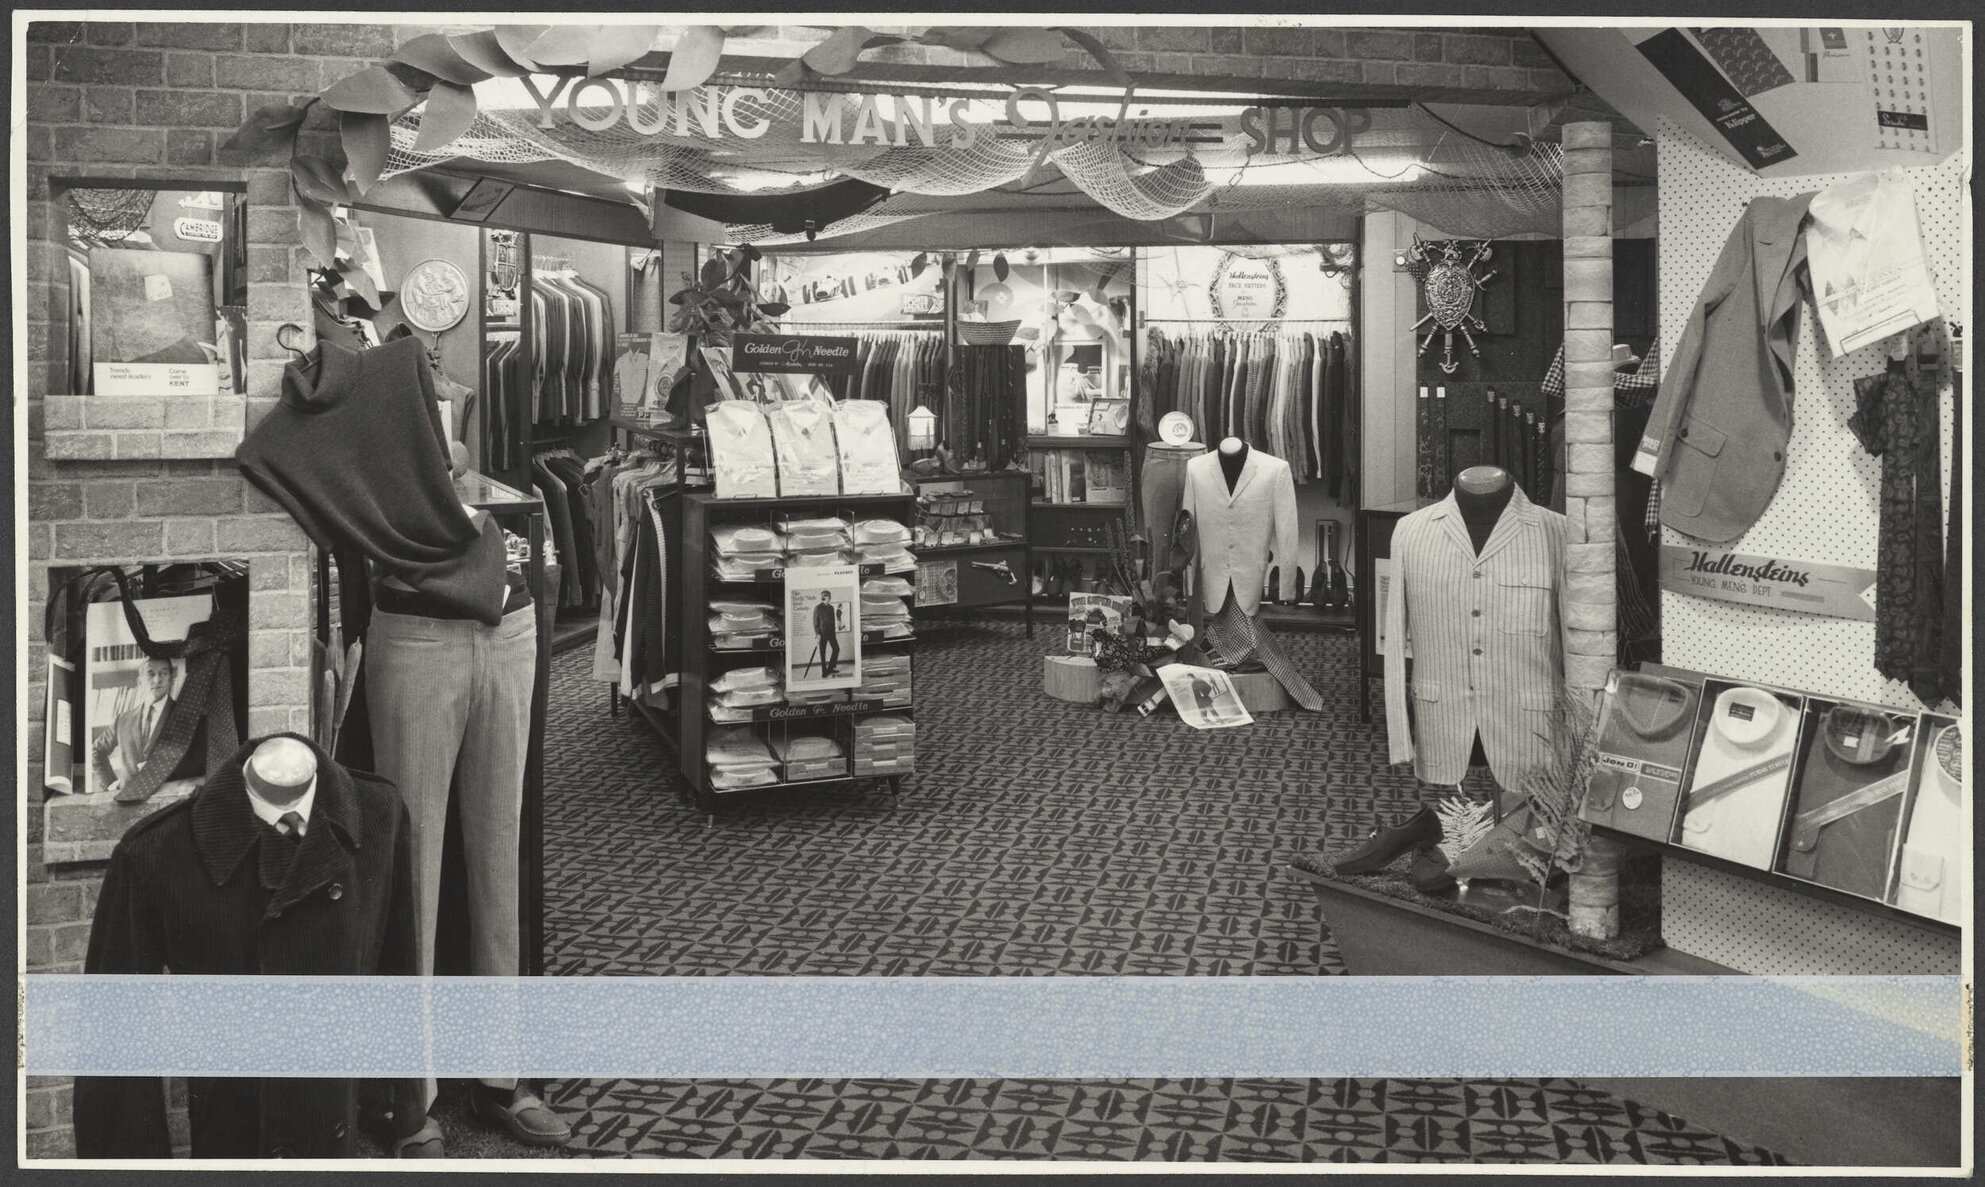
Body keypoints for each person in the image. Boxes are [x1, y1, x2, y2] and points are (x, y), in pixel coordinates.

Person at [92, 656, 175, 795]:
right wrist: (110, 783)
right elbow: (96, 751)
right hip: (127, 801)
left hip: (166, 798)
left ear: (170, 680)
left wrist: (160, 767)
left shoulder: (184, 714)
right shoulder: (123, 719)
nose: (157, 680)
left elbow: (197, 761)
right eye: (151, 674)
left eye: (163, 673)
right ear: (140, 682)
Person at [814, 590, 841, 677]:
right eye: (829, 596)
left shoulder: (831, 608)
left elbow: (833, 621)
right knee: (823, 652)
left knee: (836, 649)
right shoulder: (818, 608)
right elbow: (815, 622)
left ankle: (831, 668)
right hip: (822, 633)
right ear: (824, 597)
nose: (830, 598)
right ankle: (824, 671)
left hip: (831, 633)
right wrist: (818, 634)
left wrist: (834, 632)